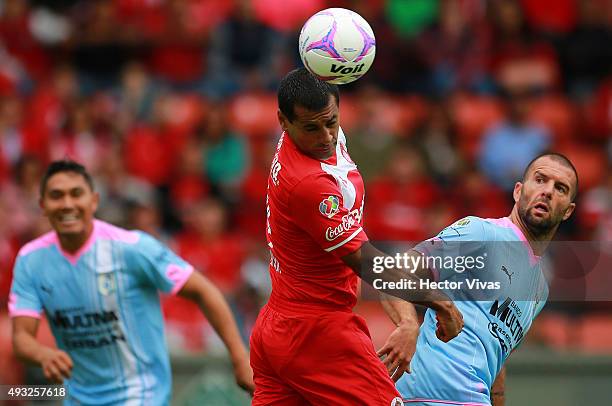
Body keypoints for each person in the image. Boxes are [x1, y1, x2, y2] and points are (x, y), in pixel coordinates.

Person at [250, 68, 464, 405]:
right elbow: (369, 264)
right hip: (316, 331)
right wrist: (440, 303)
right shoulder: (309, 185)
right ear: (283, 122)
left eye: (331, 122)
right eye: (311, 128)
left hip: (280, 324)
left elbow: (319, 95)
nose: (325, 137)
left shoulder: (314, 127)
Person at [9, 160, 254, 405]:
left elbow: (203, 290)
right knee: (11, 393)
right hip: (77, 397)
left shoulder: (132, 249)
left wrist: (240, 357)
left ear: (93, 201)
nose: (67, 204)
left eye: (76, 194)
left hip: (142, 394)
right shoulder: (31, 261)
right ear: (42, 205)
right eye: (56, 196)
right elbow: (21, 337)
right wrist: (43, 354)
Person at [396, 152, 578, 405]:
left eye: (560, 188)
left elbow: (495, 352)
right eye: (540, 180)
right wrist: (408, 323)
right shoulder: (481, 233)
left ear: (568, 211)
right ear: (518, 191)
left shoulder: (540, 289)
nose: (547, 191)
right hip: (424, 394)